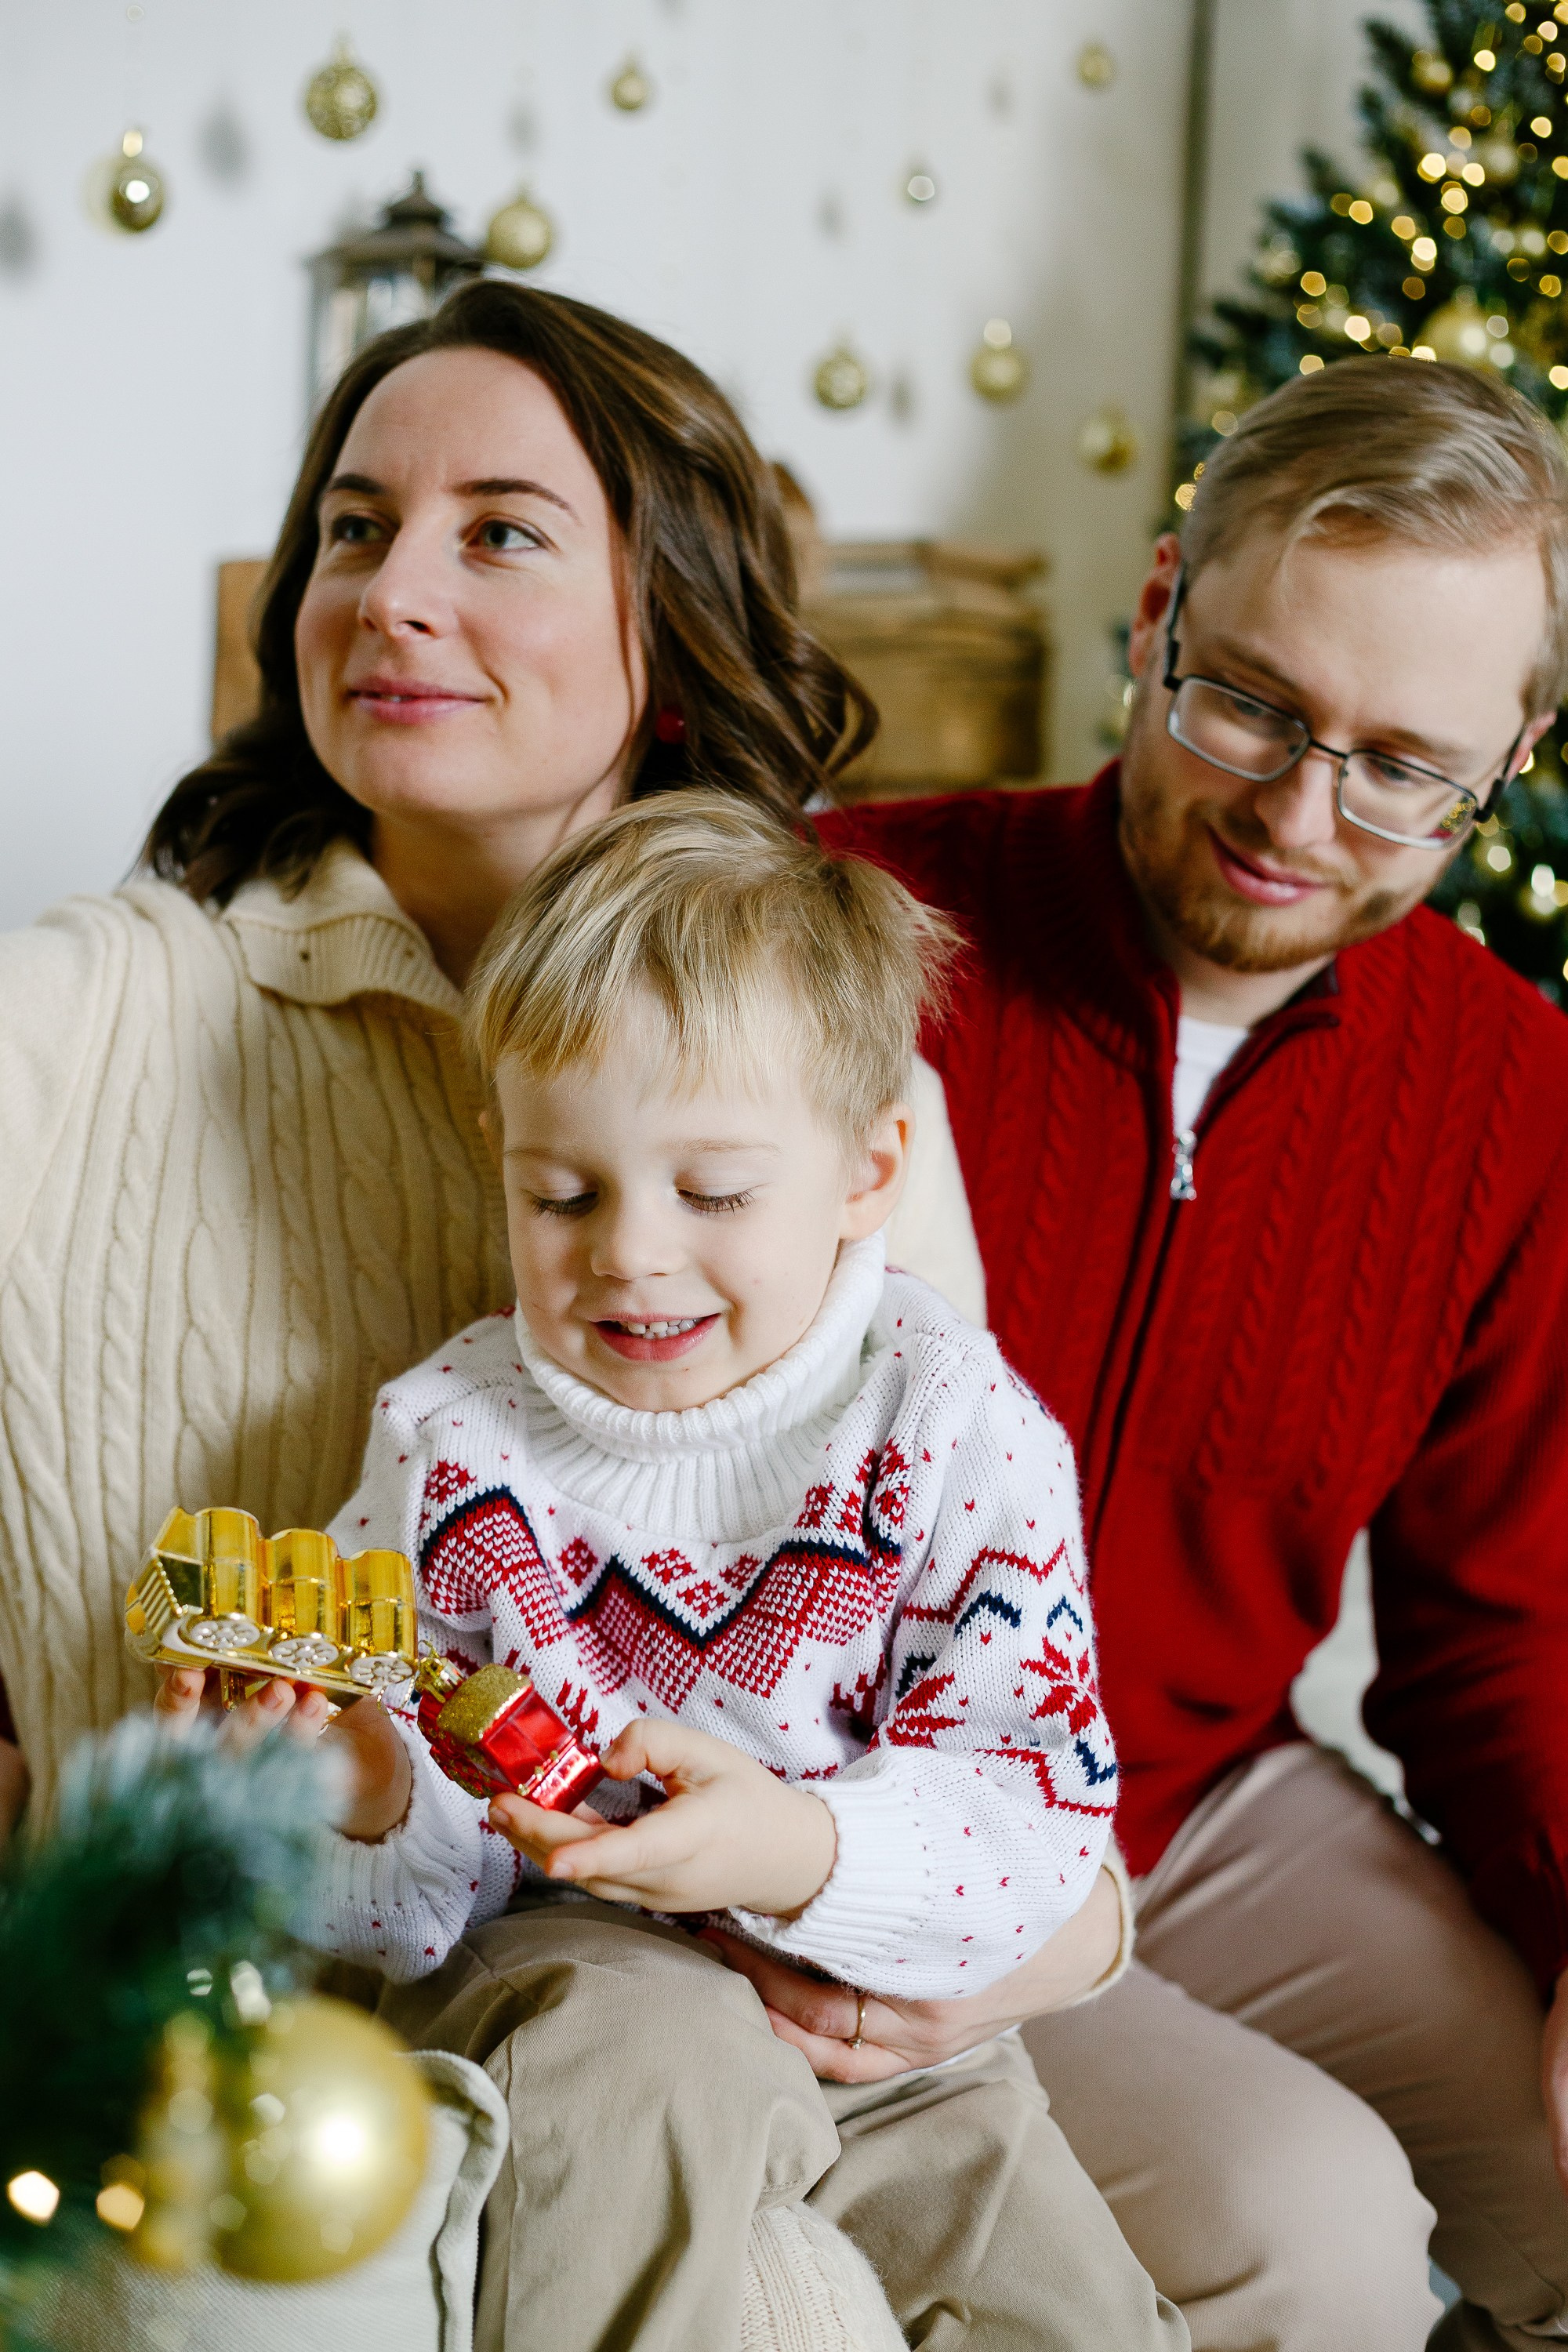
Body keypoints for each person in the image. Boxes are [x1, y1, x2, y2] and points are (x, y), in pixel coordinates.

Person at [741, 355, 1568, 2350]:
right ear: (1156, 616)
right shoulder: (841, 926)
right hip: (853, 1798)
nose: (1299, 816)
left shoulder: (1514, 1091)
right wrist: (844, 1883)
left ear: (1514, 752)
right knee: (1322, 2231)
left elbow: (1495, 1633)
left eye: (1401, 768)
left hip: (1203, 1800)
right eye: (1253, 707)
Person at [158, 793, 1171, 2352]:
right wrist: (366, 1792)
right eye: (562, 1195)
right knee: (632, 2052)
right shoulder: (451, 1447)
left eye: (711, 1194)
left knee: (1076, 2302)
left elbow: (1031, 1812)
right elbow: (400, 1913)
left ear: (864, 1171)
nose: (627, 1253)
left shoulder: (953, 1421)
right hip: (571, 1972)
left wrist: (799, 1855)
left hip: (884, 2028)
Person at [0, 278, 982, 1820]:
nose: (392, 593)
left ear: (671, 628)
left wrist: (943, 1920)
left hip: (704, 1982)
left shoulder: (841, 1085)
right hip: (181, 2020)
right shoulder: (75, 1015)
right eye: (355, 528)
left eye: (500, 532)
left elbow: (964, 1645)